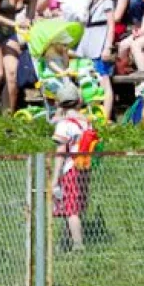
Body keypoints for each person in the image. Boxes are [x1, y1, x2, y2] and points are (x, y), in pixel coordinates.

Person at [50, 81, 91, 252]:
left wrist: (55, 178)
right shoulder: (86, 122)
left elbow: (61, 152)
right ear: (79, 100)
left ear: (59, 103)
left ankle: (78, 244)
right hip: (84, 167)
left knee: (71, 209)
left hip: (69, 169)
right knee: (75, 205)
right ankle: (67, 240)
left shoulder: (64, 125)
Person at [76, 0, 115, 121]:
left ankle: (105, 116)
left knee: (104, 80)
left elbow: (111, 26)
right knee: (87, 77)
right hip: (88, 43)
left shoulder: (107, 2)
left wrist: (108, 47)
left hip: (99, 44)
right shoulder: (90, 2)